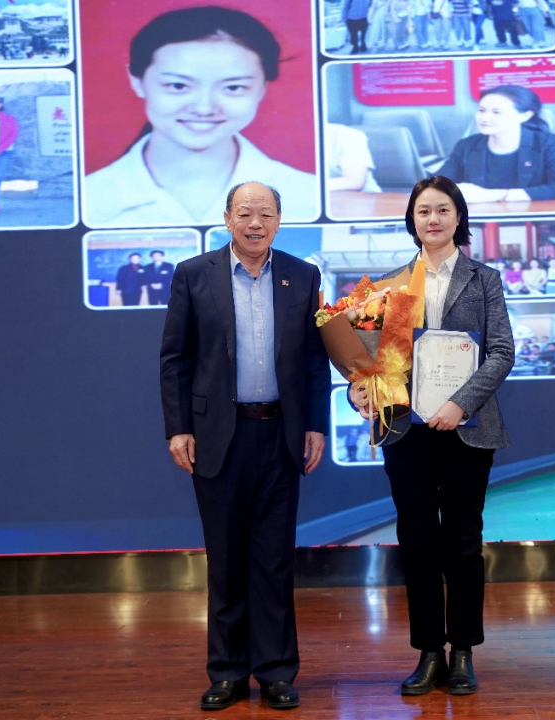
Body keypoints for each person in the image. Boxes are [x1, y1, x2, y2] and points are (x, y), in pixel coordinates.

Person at [160, 181, 330, 711]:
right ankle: (228, 672)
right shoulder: (193, 275)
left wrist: (316, 424)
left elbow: (314, 360)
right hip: (218, 436)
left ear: (279, 220)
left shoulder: (302, 275)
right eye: (245, 213)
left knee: (274, 560)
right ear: (228, 218)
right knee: (227, 558)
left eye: (266, 214)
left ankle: (276, 670)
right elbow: (176, 359)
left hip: (280, 433)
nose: (256, 223)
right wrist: (178, 427)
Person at [348, 175, 514, 698]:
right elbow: (369, 362)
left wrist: (459, 402)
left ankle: (462, 651)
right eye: (424, 211)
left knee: (462, 541)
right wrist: (360, 389)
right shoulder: (389, 286)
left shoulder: (485, 280)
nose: (433, 219)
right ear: (412, 221)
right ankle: (428, 653)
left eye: (443, 209)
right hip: (406, 430)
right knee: (417, 542)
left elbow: (502, 352)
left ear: (459, 217)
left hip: (467, 429)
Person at [84, 7, 318, 227]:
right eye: (178, 86)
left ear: (262, 88)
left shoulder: (309, 197)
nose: (204, 108)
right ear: (137, 81)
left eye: (233, 88)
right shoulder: (89, 199)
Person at [438, 84, 555, 205]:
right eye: (481, 110)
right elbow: (436, 185)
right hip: (478, 219)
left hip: (530, 218)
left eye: (497, 112)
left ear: (525, 116)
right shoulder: (467, 145)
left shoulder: (549, 144)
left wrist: (495, 195)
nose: (484, 118)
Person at [324, 123, 382, 192]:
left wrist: (313, 185)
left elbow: (355, 181)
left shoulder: (347, 135)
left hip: (362, 196)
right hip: (318, 196)